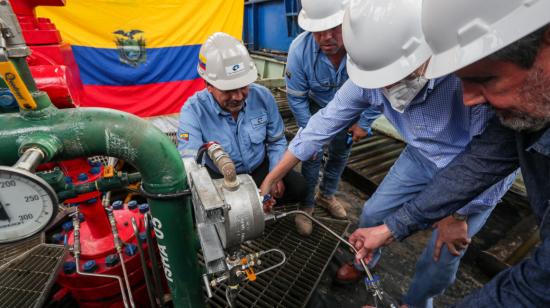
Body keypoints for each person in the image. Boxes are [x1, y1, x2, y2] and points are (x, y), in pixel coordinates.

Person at [260, 1, 517, 307]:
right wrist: (272, 177)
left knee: (440, 257)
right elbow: (320, 125)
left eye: (395, 75)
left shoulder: (464, 73)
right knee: (372, 214)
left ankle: (417, 302)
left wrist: (456, 213)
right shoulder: (367, 76)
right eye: (378, 79)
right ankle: (363, 262)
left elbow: (495, 157)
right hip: (419, 156)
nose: (387, 87)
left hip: (472, 170)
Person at [349, 0, 550, 306]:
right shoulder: (529, 112)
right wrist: (391, 228)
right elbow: (482, 162)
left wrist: (456, 214)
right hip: (430, 168)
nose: (468, 101)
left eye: (485, 79)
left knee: (441, 258)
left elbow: (534, 289)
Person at [286, 0, 381, 235]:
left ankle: (325, 195)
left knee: (340, 156)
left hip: (350, 116)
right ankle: (307, 205)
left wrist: (365, 122)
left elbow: (382, 85)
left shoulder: (367, 44)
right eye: (319, 31)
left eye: (334, 28)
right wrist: (310, 134)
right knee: (312, 158)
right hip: (315, 110)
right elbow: (296, 99)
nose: (327, 37)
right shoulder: (299, 52)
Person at [177, 32, 306, 204]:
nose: (238, 97)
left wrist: (275, 175)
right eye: (228, 90)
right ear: (208, 85)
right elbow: (191, 164)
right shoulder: (193, 111)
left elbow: (276, 141)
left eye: (243, 87)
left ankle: (265, 207)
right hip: (222, 180)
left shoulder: (263, 97)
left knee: (300, 188)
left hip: (260, 170)